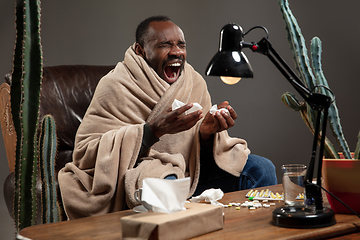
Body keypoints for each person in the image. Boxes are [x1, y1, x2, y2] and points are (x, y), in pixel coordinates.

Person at [58, 15, 277, 220]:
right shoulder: (116, 85)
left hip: (191, 172)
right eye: (165, 45)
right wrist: (152, 131)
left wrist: (206, 133)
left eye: (181, 45)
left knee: (262, 168)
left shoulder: (193, 81)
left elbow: (194, 150)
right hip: (142, 177)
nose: (176, 52)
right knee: (166, 183)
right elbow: (85, 152)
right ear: (141, 50)